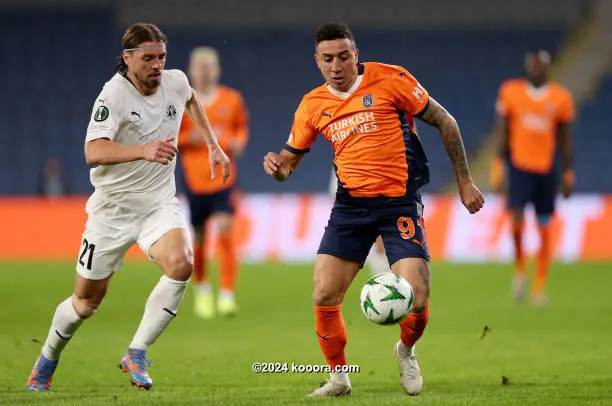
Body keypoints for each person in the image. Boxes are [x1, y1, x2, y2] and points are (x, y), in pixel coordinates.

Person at [263, 22, 484, 397]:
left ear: (356, 55)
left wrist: (464, 181)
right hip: (350, 206)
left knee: (418, 294)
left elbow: (446, 121)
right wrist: (277, 168)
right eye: (328, 59)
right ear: (317, 61)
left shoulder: (390, 79)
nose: (337, 65)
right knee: (324, 294)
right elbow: (289, 163)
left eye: (344, 56)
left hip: (399, 200)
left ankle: (406, 351)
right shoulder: (312, 105)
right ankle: (338, 378)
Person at [26, 23, 230, 392]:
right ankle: (48, 358)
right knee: (86, 303)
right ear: (128, 58)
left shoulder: (175, 80)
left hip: (157, 204)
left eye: (161, 57)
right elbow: (93, 151)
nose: (157, 65)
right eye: (148, 58)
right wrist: (144, 150)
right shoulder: (113, 96)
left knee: (182, 263)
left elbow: (190, 99)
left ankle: (137, 351)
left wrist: (213, 143)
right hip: (112, 212)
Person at [490, 50, 575, 305]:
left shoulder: (561, 98)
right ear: (527, 67)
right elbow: (502, 131)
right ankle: (520, 270)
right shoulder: (510, 92)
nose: (537, 70)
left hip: (546, 169)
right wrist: (497, 164)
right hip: (519, 167)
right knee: (516, 219)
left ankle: (539, 287)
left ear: (548, 68)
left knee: (544, 224)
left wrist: (568, 171)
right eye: (533, 65)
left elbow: (564, 139)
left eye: (542, 66)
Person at [178, 47, 249, 319]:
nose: (205, 70)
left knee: (225, 229)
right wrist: (190, 140)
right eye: (201, 66)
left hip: (224, 177)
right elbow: (173, 138)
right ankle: (203, 290)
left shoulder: (232, 99)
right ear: (191, 70)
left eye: (210, 65)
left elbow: (241, 129)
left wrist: (236, 142)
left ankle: (227, 295)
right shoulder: (183, 103)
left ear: (217, 69)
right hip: (194, 179)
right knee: (198, 236)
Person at [329, 168, 390, 275]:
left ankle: (383, 274)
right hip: (349, 190)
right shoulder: (342, 161)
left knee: (381, 236)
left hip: (375, 186)